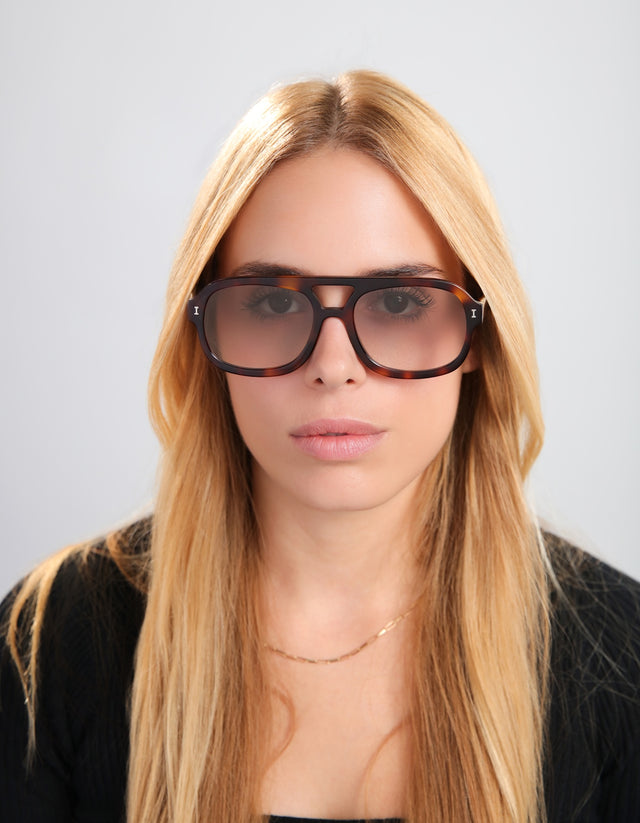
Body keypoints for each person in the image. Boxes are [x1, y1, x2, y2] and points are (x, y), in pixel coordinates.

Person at [1, 70, 639, 823]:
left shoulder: (620, 657)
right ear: (203, 330)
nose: (333, 365)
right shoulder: (55, 642)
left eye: (400, 301)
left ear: (479, 337)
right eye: (272, 300)